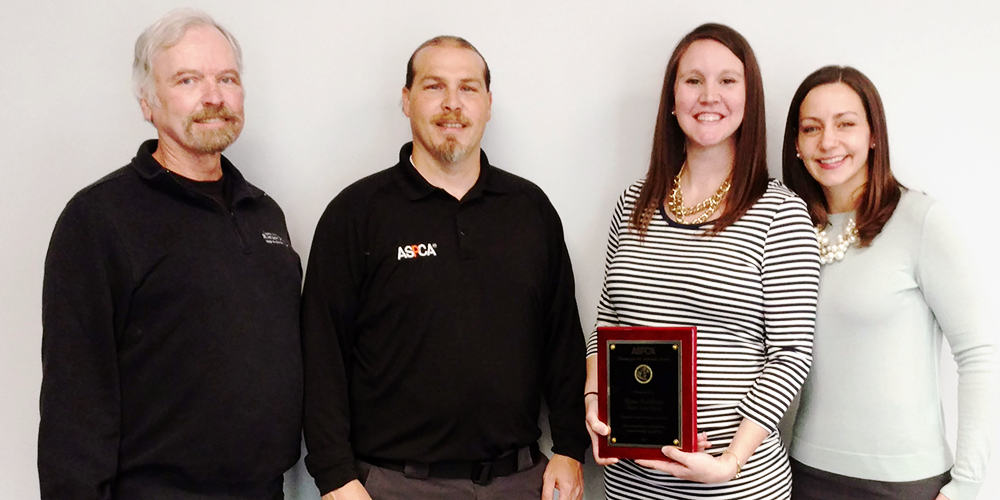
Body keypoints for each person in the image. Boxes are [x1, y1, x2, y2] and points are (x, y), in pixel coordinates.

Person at [301, 36, 589, 500]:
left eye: (469, 89)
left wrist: (571, 448)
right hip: (392, 485)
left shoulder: (530, 210)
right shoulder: (356, 214)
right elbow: (322, 353)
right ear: (406, 100)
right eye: (434, 86)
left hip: (518, 481)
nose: (452, 104)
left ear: (489, 104)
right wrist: (335, 476)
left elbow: (563, 341)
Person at [38, 9, 303, 500]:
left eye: (228, 78)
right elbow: (74, 400)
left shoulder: (264, 214)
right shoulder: (99, 219)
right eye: (188, 80)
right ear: (148, 102)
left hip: (265, 492)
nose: (214, 97)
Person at [584, 23, 821, 500]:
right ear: (672, 100)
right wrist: (594, 401)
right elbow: (609, 321)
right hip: (631, 485)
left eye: (728, 81)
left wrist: (731, 461)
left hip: (734, 486)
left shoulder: (781, 213)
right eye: (693, 80)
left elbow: (791, 354)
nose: (709, 95)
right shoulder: (635, 205)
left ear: (749, 100)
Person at [781, 66, 996, 500]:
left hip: (905, 485)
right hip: (805, 476)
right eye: (811, 128)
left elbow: (977, 355)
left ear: (873, 134)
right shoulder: (787, 228)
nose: (829, 142)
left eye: (846, 123)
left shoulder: (919, 220)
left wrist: (967, 487)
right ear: (797, 145)